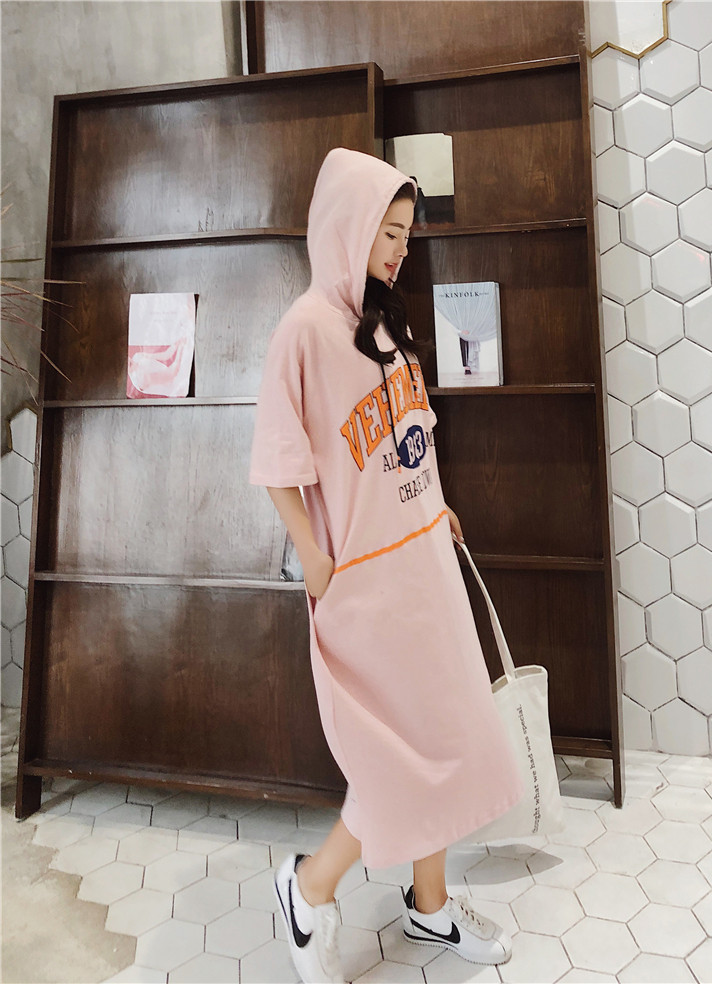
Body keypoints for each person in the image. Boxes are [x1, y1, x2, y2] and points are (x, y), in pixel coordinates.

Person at [248, 147, 525, 984]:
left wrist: (437, 505)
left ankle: (429, 907)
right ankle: (308, 888)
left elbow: (410, 436)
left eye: (407, 234)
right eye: (389, 231)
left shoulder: (383, 323)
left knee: (442, 736)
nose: (401, 249)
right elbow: (276, 462)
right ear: (349, 224)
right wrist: (312, 555)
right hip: (364, 585)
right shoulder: (303, 331)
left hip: (424, 566)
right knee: (396, 761)